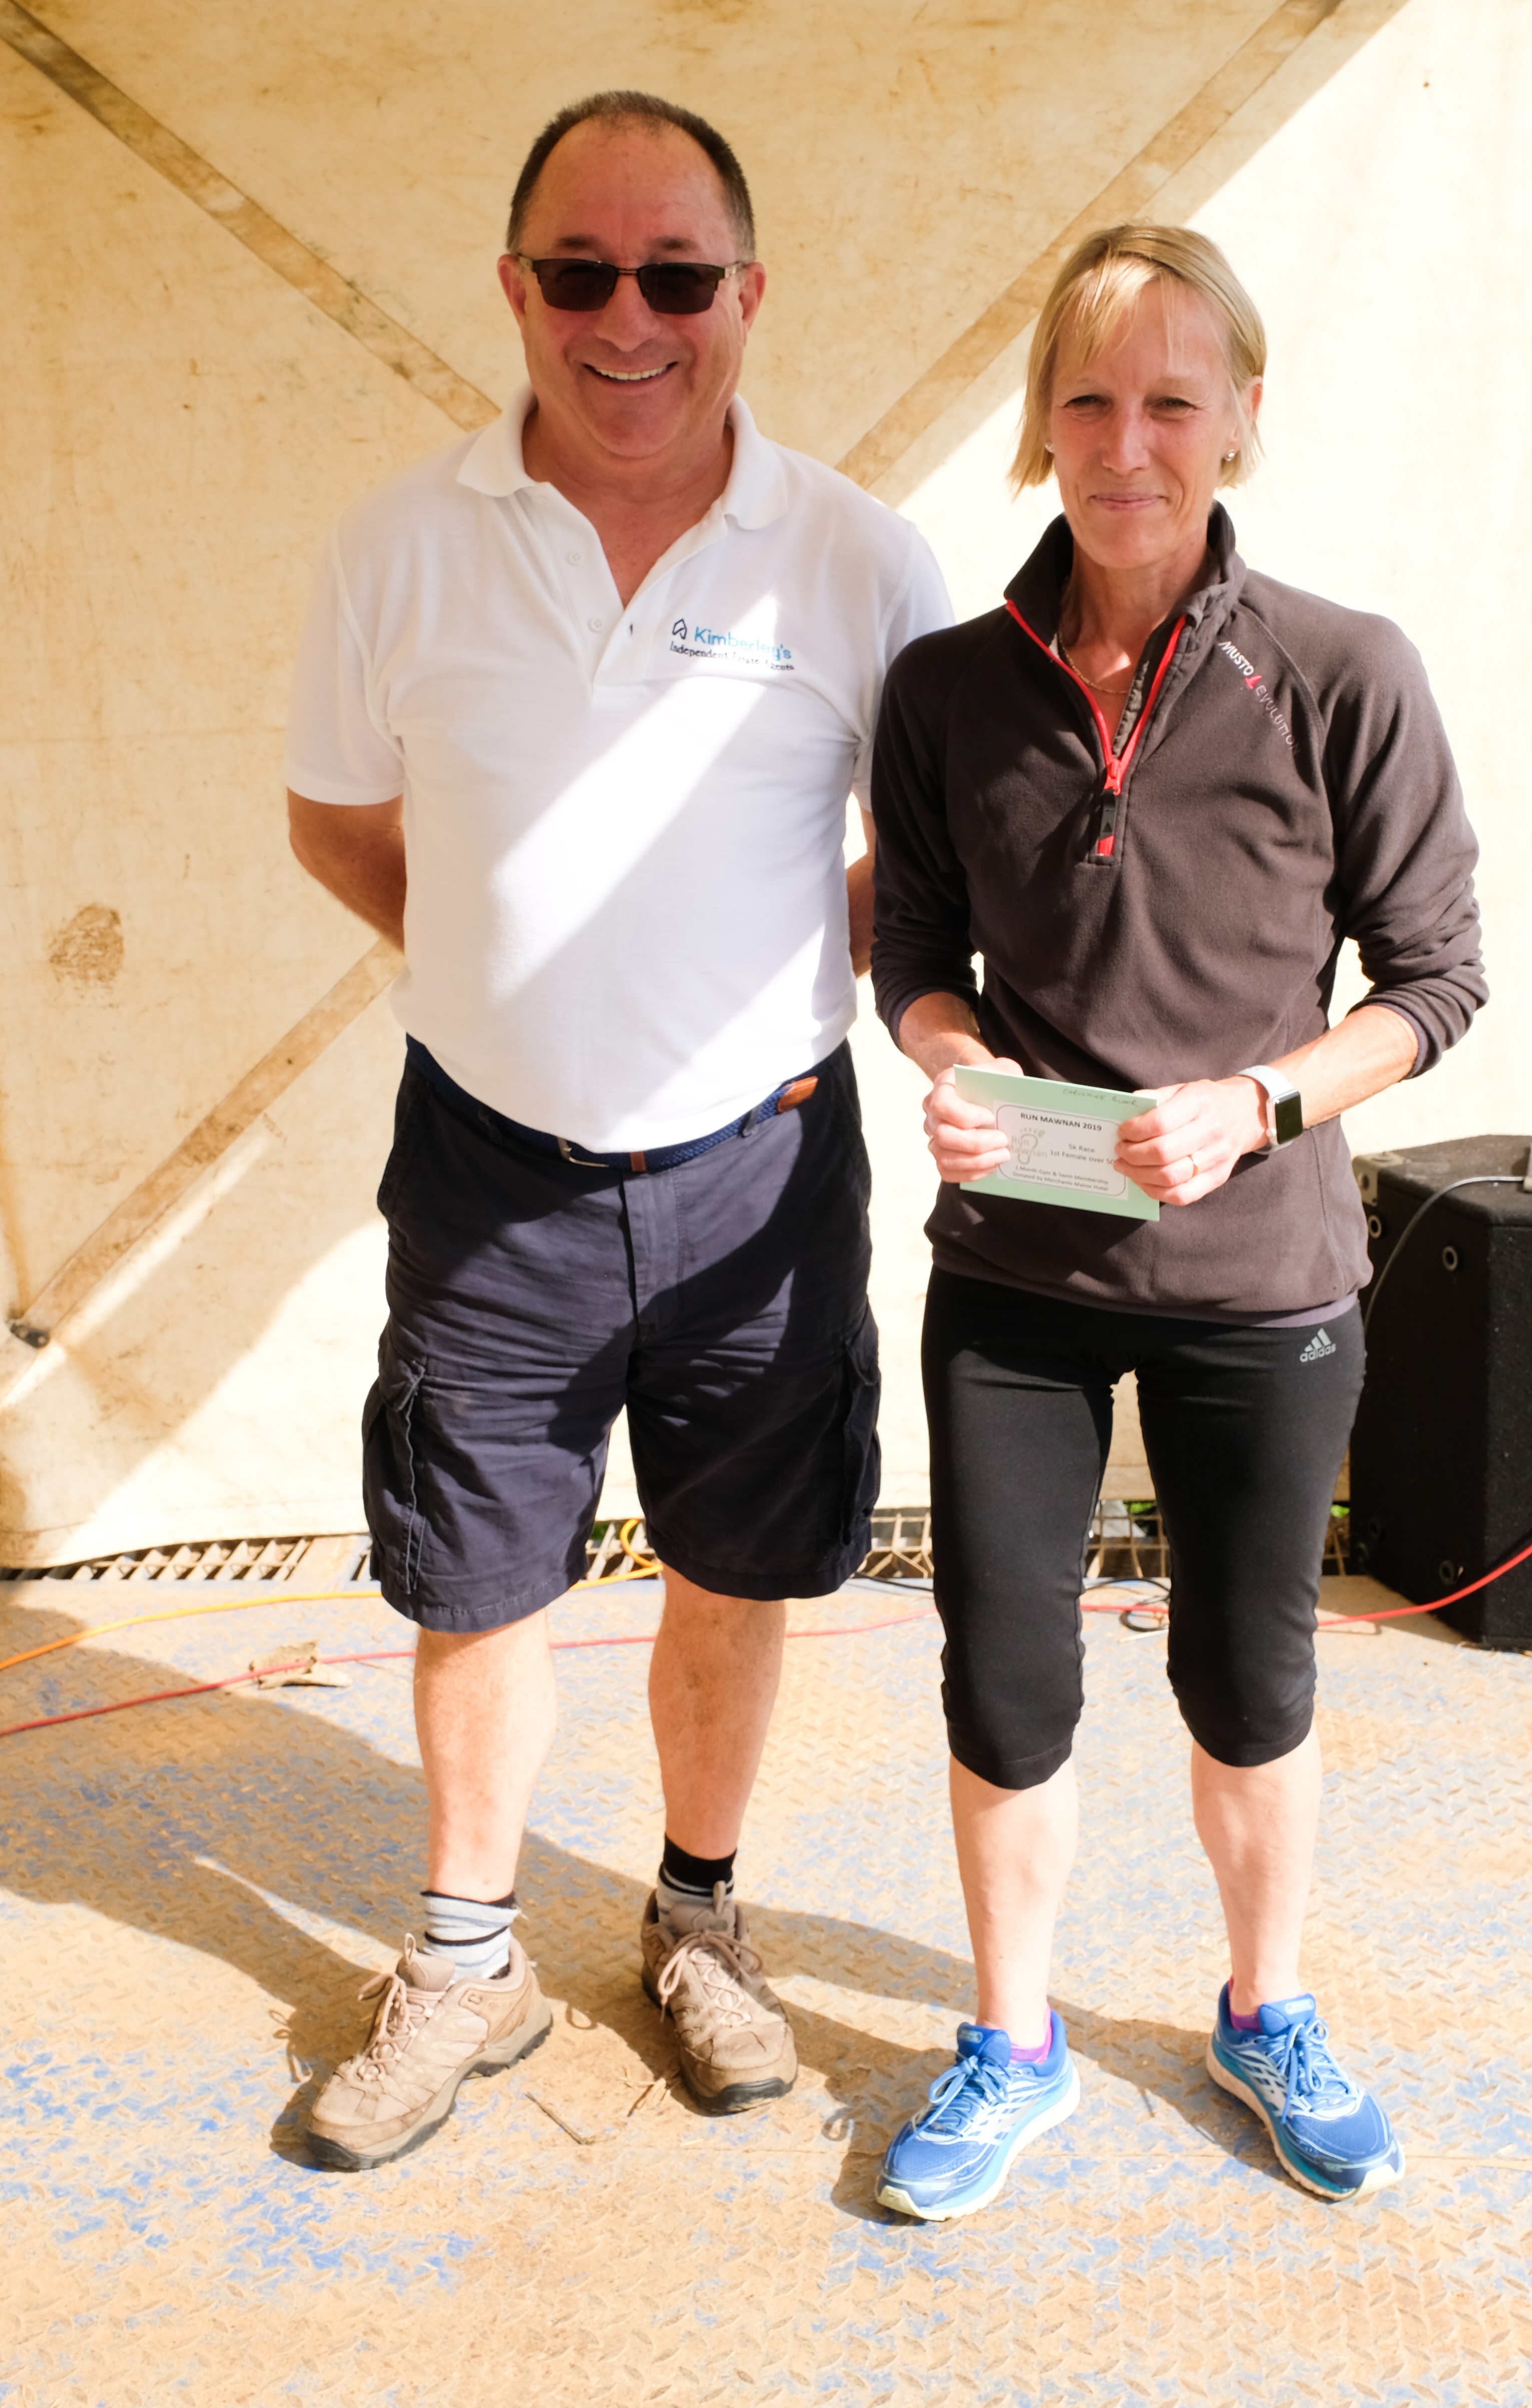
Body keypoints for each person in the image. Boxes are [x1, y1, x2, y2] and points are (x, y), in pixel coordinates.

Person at [283, 89, 949, 2169]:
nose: (628, 320)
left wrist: (787, 972)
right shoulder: (398, 543)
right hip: (492, 1169)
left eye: (676, 275)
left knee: (737, 1563)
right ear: (515, 288)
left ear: (749, 293)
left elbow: (932, 852)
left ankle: (697, 1919)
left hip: (765, 1166)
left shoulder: (858, 556)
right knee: (473, 1571)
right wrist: (502, 975)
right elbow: (337, 820)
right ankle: (464, 1961)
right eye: (581, 273)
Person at [868, 223, 1485, 2218]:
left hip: (1260, 1280)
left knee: (1248, 1677)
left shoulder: (1344, 670)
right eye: (1087, 400)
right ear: (1040, 426)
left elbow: (1435, 979)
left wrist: (1262, 1102)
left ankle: (1264, 2008)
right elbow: (913, 955)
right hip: (1015, 1281)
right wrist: (954, 1062)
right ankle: (1012, 2040)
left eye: (1167, 400)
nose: (1124, 444)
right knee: (1003, 1681)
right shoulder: (944, 687)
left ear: (1238, 418)